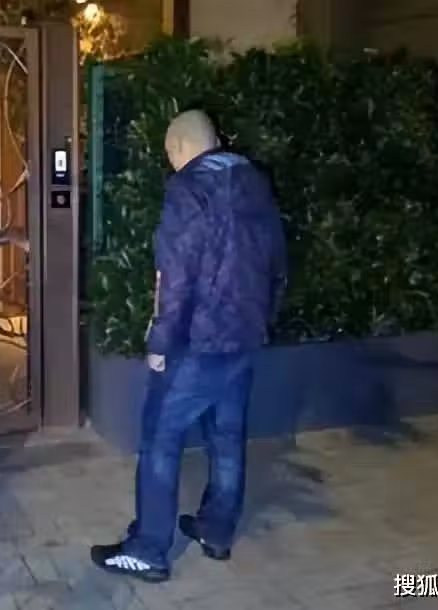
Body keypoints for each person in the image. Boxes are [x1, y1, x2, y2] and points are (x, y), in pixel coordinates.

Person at [90, 110, 287, 582]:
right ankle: (216, 530)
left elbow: (174, 278)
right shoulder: (256, 183)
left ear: (178, 148)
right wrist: (261, 321)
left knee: (160, 438)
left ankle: (149, 550)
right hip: (245, 336)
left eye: (168, 154)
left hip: (199, 342)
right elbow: (278, 264)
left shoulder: (187, 190)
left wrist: (160, 340)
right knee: (226, 436)